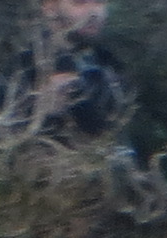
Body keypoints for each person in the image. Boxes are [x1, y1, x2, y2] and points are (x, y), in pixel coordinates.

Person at [37, 0, 133, 143]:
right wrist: (44, 114)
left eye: (99, 2)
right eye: (80, 2)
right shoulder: (27, 66)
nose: (93, 12)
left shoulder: (111, 63)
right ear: (50, 7)